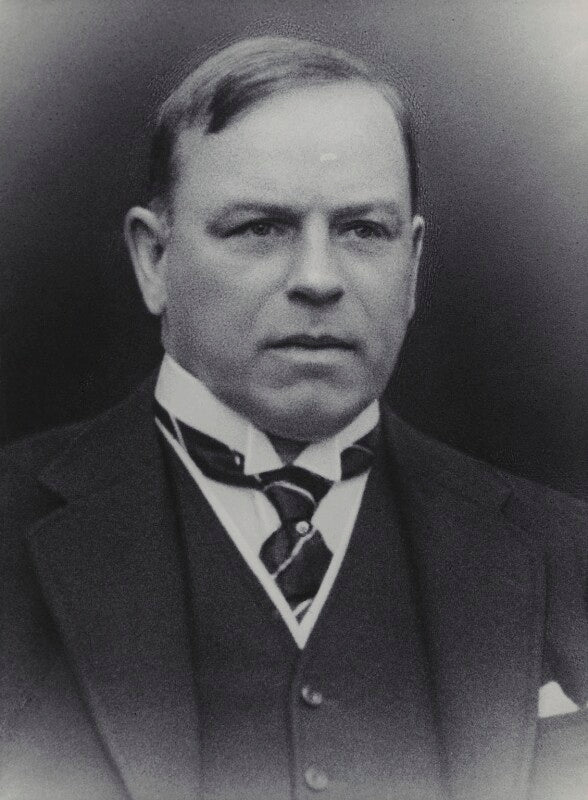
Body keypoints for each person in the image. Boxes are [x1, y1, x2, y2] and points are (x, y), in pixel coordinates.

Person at [1, 36, 586, 800]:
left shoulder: (567, 555)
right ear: (154, 259)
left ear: (412, 265)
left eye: (362, 230)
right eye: (260, 227)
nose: (318, 278)